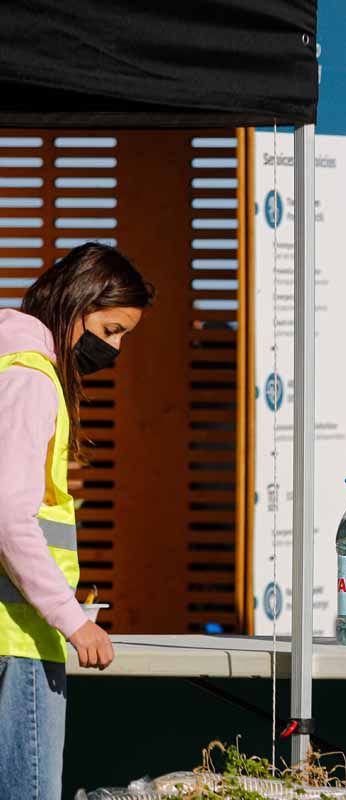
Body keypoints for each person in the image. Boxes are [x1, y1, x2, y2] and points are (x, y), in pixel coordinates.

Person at [0, 242, 154, 800]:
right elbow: (9, 516)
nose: (112, 348)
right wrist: (72, 619)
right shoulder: (30, 379)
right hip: (19, 639)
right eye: (111, 329)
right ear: (77, 304)